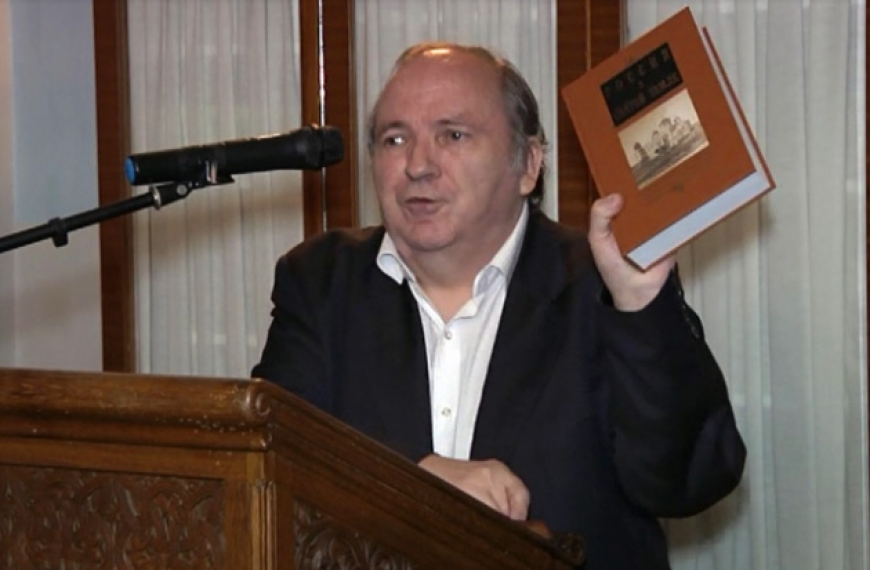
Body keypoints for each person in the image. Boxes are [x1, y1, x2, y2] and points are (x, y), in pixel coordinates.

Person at [252, 42, 746, 570]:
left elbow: (689, 481)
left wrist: (641, 304)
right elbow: (274, 462)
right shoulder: (322, 281)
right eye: (395, 139)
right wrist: (413, 478)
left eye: (453, 135)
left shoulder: (600, 283)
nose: (418, 165)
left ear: (528, 165)